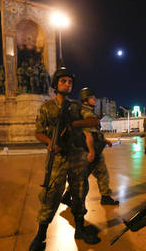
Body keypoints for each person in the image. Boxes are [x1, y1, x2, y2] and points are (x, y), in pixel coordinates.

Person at [29, 67, 100, 251]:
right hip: (57, 158)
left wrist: (72, 124)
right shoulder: (46, 107)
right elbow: (38, 132)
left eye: (70, 82)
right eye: (63, 81)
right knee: (50, 195)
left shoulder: (76, 107)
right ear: (55, 84)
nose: (67, 84)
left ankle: (80, 228)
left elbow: (94, 121)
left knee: (79, 192)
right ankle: (41, 235)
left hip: (76, 157)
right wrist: (50, 144)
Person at [62, 87, 119, 206]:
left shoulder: (88, 111)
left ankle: (104, 196)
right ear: (85, 100)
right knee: (86, 176)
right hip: (89, 151)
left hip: (92, 150)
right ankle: (68, 196)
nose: (95, 99)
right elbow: (88, 133)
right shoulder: (85, 112)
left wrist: (105, 140)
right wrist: (92, 151)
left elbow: (95, 133)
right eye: (92, 97)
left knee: (97, 174)